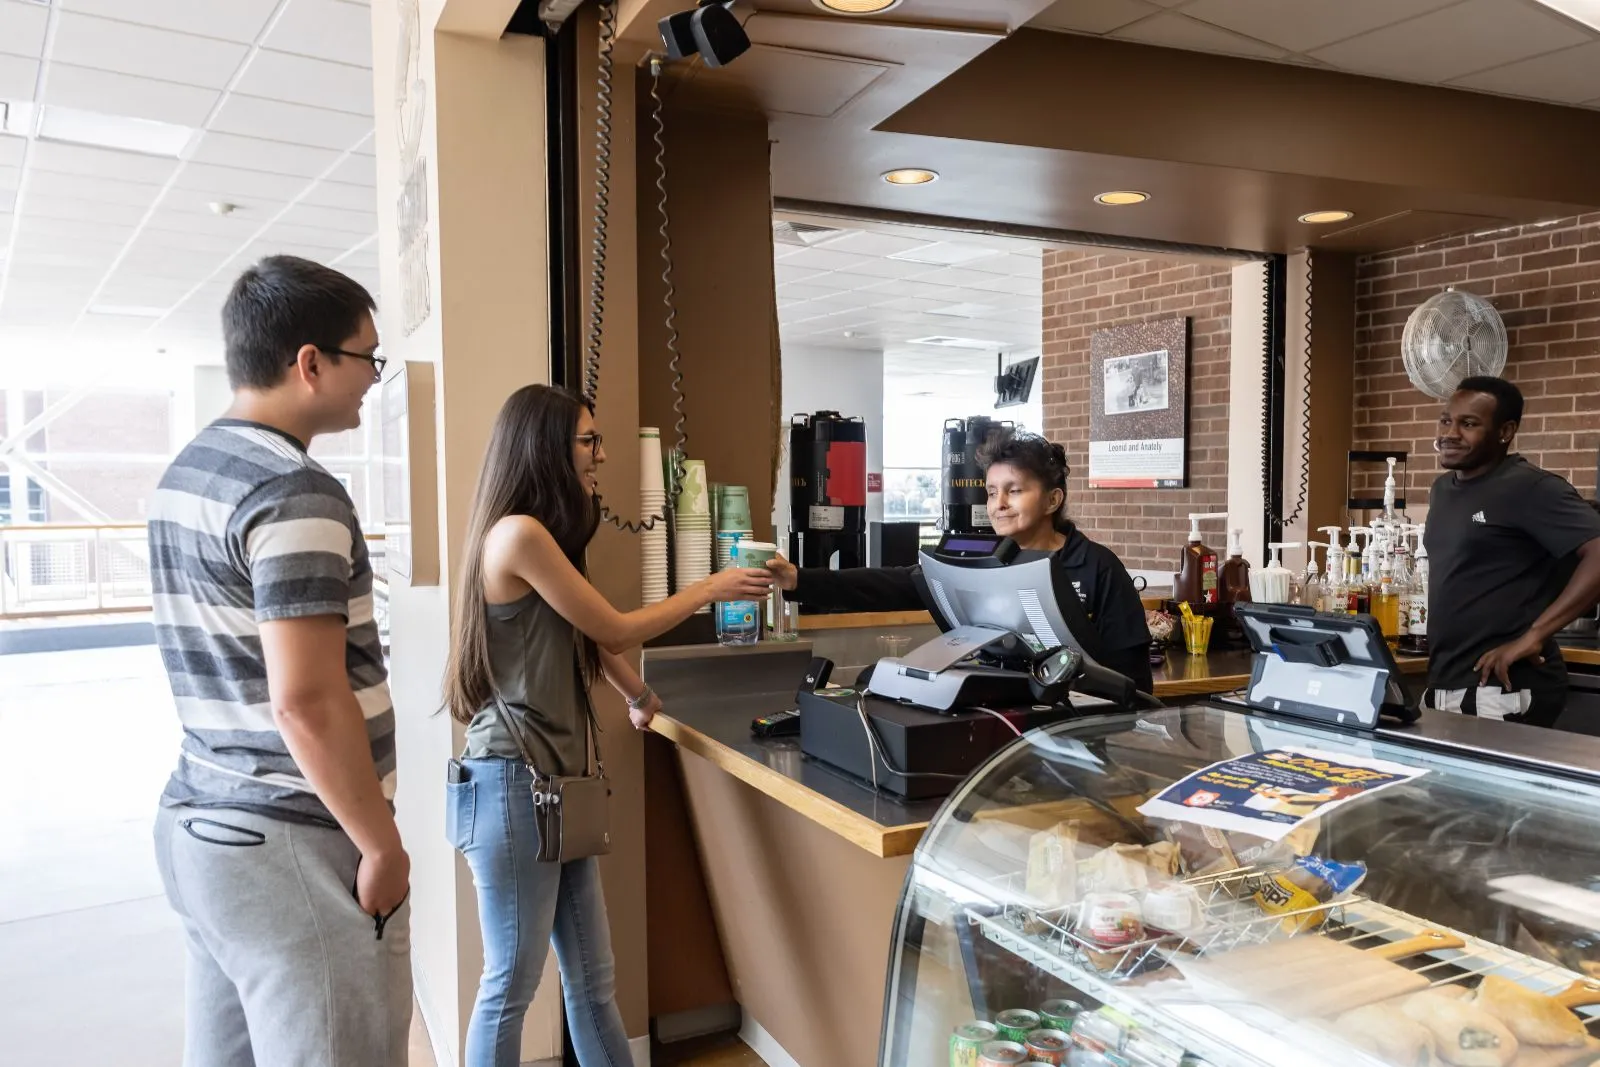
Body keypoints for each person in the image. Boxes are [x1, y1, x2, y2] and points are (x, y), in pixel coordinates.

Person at [441, 384, 772, 1067]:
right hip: (509, 786)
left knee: (591, 983)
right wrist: (708, 587)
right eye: (588, 440)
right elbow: (613, 624)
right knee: (509, 985)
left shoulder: (542, 535)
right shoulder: (519, 534)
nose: (600, 454)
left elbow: (587, 638)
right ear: (547, 447)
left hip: (554, 790)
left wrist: (640, 693)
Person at [148, 256, 410, 1065]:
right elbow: (306, 699)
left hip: (201, 825)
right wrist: (380, 844)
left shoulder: (185, 472)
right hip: (291, 837)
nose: (374, 377)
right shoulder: (294, 490)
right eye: (367, 356)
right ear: (310, 362)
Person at [768, 429, 1153, 692]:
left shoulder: (1098, 567)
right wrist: (799, 579)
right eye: (991, 492)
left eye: (1014, 491)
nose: (998, 505)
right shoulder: (982, 560)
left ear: (1053, 500)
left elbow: (1133, 681)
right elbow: (894, 584)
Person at [1423, 376, 1600, 726]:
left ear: (1505, 432)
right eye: (1446, 420)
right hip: (1448, 682)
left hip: (1501, 690)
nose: (1450, 433)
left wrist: (1535, 635)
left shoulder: (1530, 488)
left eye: (1469, 424)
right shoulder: (1443, 489)